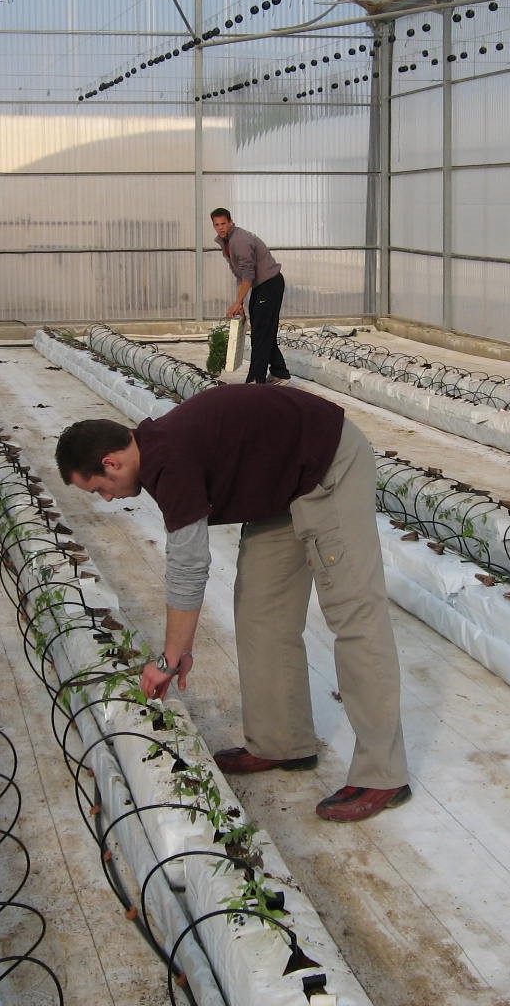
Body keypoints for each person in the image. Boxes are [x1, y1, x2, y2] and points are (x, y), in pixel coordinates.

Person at [55, 385, 411, 822]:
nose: (107, 498)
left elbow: (188, 566)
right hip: (279, 485)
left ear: (111, 462)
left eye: (99, 489)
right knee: (262, 611)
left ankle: (383, 775)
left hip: (326, 465)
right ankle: (281, 742)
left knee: (355, 614)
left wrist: (170, 659)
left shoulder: (170, 460)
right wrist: (179, 651)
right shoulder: (159, 453)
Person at [211, 208, 290, 385]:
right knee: (262, 331)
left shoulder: (240, 241)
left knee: (261, 333)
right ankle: (280, 373)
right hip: (260, 287)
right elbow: (240, 275)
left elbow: (248, 275)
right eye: (217, 225)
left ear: (231, 222)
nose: (221, 228)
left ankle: (256, 380)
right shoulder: (226, 242)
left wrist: (237, 302)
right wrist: (241, 304)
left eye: (223, 223)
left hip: (270, 284)